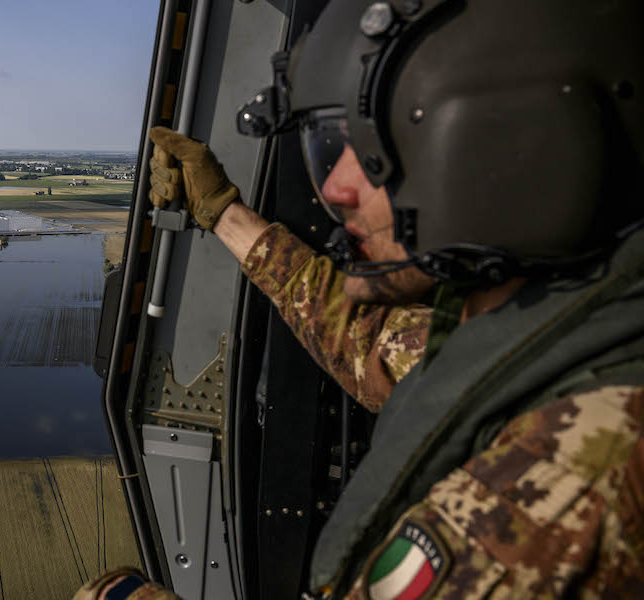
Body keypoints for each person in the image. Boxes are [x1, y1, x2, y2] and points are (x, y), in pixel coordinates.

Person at [77, 0, 643, 597]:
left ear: (491, 144)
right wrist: (225, 215)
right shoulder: (549, 333)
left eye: (366, 147)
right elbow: (369, 339)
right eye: (329, 147)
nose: (337, 186)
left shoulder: (554, 485)